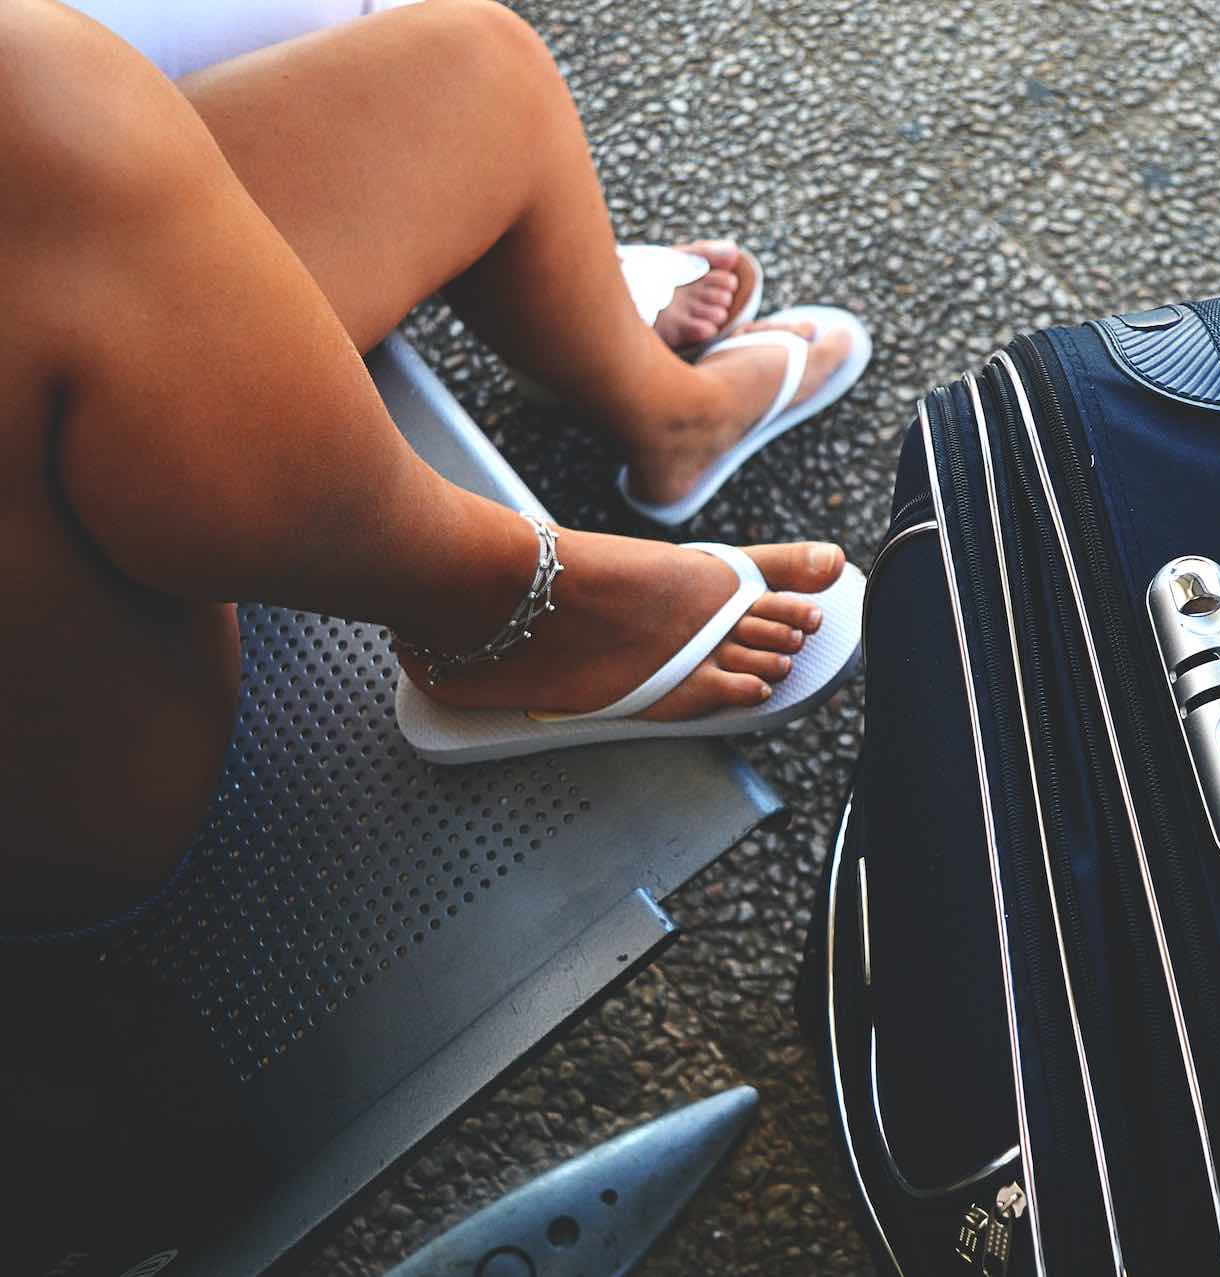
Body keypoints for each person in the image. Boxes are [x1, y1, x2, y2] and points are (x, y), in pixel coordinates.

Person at [0, 0, 869, 932]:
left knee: (479, 70)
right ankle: (497, 605)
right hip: (52, 791)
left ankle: (671, 413)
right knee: (31, 83)